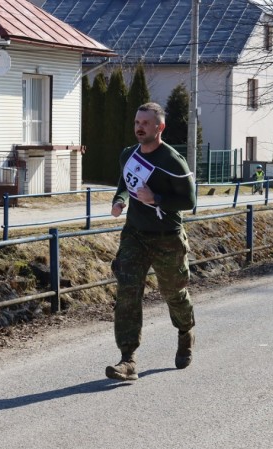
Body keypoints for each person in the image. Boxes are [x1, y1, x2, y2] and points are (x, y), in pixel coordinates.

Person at [106, 102, 197, 381]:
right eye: (136, 122)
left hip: (167, 237)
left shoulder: (172, 160)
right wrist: (120, 200)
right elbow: (125, 183)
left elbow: (189, 201)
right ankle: (127, 359)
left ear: (160, 127)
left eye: (145, 123)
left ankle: (185, 332)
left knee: (173, 293)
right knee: (127, 292)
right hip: (135, 234)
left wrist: (156, 199)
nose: (139, 127)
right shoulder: (127, 155)